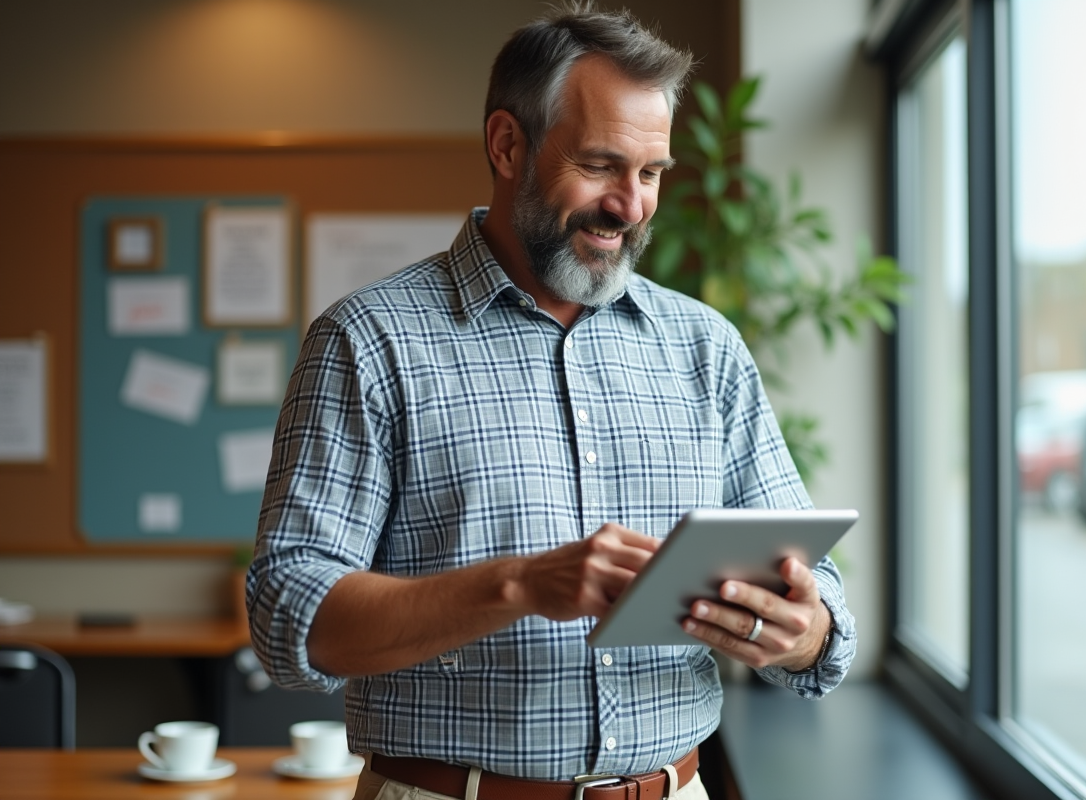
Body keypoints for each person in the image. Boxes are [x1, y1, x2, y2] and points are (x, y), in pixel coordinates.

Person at [247, 5, 856, 799]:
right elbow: (287, 608)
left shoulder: (706, 348)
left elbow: (821, 605)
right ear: (507, 144)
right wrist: (521, 585)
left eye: (652, 174)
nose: (631, 205)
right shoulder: (369, 342)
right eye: (602, 165)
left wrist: (800, 631)